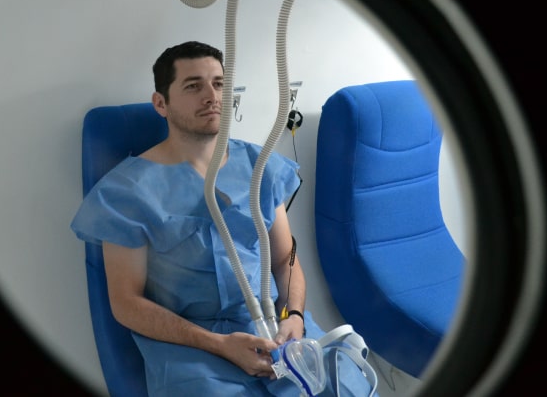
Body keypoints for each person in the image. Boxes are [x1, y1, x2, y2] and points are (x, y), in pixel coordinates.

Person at [71, 41, 376, 396]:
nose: (212, 96)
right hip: (194, 348)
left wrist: (293, 315)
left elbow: (286, 258)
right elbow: (127, 304)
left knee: (349, 386)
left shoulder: (260, 166)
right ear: (161, 103)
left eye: (219, 84)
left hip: (274, 330)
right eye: (193, 86)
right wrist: (219, 344)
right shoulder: (127, 192)